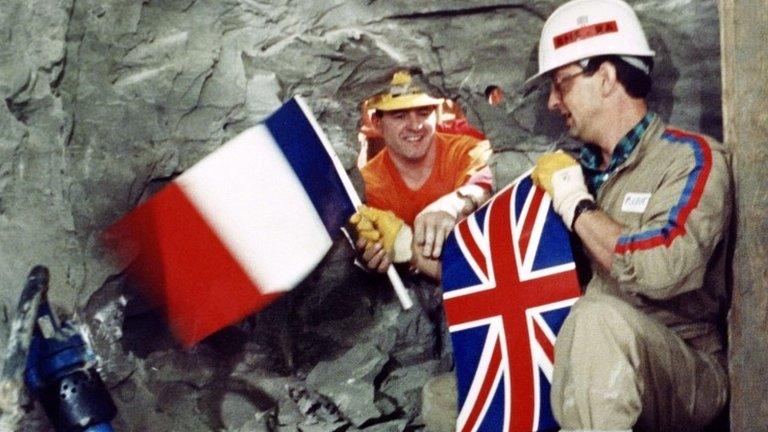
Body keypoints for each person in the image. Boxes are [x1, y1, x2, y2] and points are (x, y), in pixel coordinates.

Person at [527, 0, 731, 431]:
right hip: (595, 372)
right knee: (447, 397)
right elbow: (511, 263)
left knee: (596, 319)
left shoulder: (690, 158)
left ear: (605, 78)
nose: (551, 102)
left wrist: (577, 206)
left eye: (560, 84)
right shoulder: (574, 171)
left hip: (683, 364)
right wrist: (413, 248)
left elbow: (666, 266)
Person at [351, 70, 493, 280]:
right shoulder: (369, 186)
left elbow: (491, 185)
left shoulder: (466, 152)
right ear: (378, 124)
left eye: (424, 113)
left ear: (436, 114)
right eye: (400, 116)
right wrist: (373, 258)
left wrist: (454, 204)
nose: (415, 125)